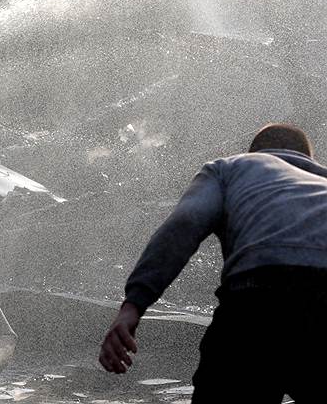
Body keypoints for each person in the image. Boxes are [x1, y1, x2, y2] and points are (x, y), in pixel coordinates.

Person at [99, 123, 327, 402]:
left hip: (256, 304)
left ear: (255, 152)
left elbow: (183, 225)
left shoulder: (229, 168)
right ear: (309, 158)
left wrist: (133, 305)